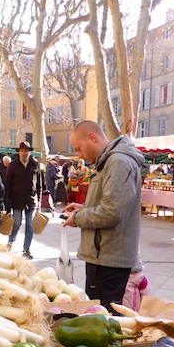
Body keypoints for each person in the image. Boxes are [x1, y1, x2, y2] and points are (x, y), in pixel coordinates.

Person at [62, 121, 145, 312]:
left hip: (110, 257)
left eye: (79, 149)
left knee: (104, 316)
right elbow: (112, 204)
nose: (79, 155)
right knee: (97, 313)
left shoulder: (119, 162)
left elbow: (111, 212)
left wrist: (79, 218)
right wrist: (84, 208)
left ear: (92, 137)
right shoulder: (110, 162)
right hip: (104, 254)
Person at [4, 141, 45, 259]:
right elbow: (7, 185)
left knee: (30, 226)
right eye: (22, 150)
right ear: (19, 152)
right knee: (16, 223)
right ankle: (10, 242)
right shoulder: (13, 165)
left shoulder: (35, 164)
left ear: (29, 152)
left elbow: (39, 185)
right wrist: (7, 204)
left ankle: (26, 249)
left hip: (31, 200)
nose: (24, 153)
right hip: (16, 200)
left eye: (26, 150)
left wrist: (39, 201)